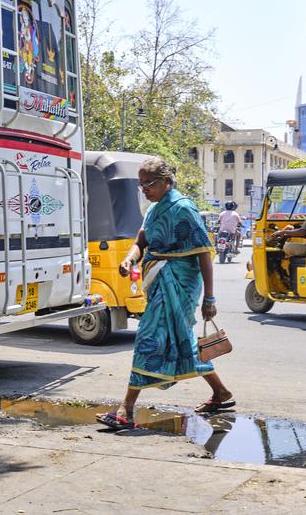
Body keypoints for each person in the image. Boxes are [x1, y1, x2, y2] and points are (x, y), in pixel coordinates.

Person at [95, 158, 235, 430]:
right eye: (141, 184)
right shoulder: (155, 210)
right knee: (182, 340)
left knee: (148, 337)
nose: (144, 189)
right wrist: (129, 260)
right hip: (159, 280)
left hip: (181, 284)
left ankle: (126, 409)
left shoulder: (183, 208)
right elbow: (141, 241)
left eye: (149, 183)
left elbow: (204, 253)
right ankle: (221, 392)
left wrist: (210, 299)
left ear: (166, 182)